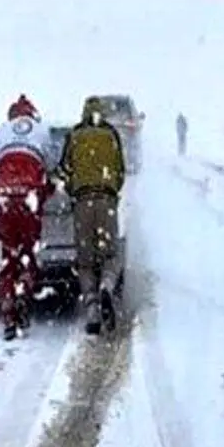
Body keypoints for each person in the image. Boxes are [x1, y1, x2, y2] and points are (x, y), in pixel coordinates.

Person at [0, 94, 56, 340]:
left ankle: (8, 310)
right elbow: (53, 169)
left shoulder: (2, 131)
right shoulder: (42, 131)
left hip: (5, 197)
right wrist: (45, 193)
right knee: (28, 252)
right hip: (29, 197)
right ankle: (24, 291)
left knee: (8, 256)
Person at [57, 96, 126, 335]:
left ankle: (92, 308)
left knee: (85, 262)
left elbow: (64, 170)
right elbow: (120, 171)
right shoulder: (111, 135)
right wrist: (111, 192)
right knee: (110, 255)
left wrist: (73, 191)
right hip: (106, 201)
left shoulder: (75, 136)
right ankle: (107, 284)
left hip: (82, 202)